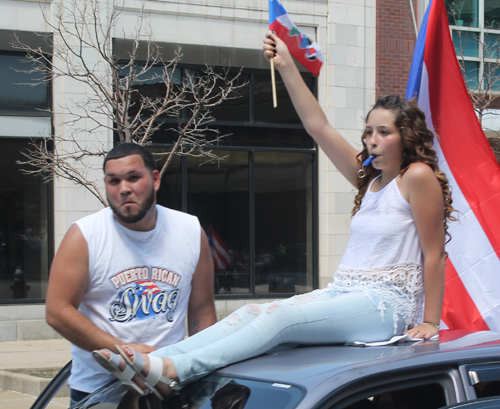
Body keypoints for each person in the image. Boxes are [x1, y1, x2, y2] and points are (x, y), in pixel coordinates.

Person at [93, 33, 456, 402]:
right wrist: (285, 64)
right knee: (253, 312)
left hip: (385, 306)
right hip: (346, 293)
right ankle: (158, 360)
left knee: (279, 321)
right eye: (368, 131)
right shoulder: (370, 181)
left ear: (405, 136)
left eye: (383, 132)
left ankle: (175, 372)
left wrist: (429, 320)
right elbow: (319, 127)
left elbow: (434, 254)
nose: (371, 139)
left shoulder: (417, 177)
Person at [45, 143, 217, 404]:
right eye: (113, 181)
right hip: (99, 392)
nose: (124, 188)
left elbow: (202, 311)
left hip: (167, 386)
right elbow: (57, 312)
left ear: (155, 179)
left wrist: (207, 374)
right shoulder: (84, 236)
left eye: (133, 177)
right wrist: (124, 352)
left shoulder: (190, 230)